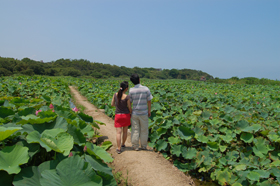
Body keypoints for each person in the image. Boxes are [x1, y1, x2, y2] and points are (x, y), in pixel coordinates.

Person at [129, 74, 153, 151]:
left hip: (135, 113)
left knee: (135, 129)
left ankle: (135, 146)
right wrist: (149, 111)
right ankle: (143, 146)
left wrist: (130, 111)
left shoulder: (131, 90)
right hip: (144, 113)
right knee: (144, 130)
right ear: (139, 80)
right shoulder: (146, 89)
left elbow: (129, 102)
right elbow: (149, 101)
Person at [111, 81, 132, 154]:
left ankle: (119, 148)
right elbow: (129, 107)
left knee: (118, 133)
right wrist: (131, 112)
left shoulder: (115, 95)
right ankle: (123, 144)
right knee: (125, 131)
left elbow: (112, 104)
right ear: (126, 88)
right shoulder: (127, 97)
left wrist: (117, 105)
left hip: (118, 115)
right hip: (125, 115)